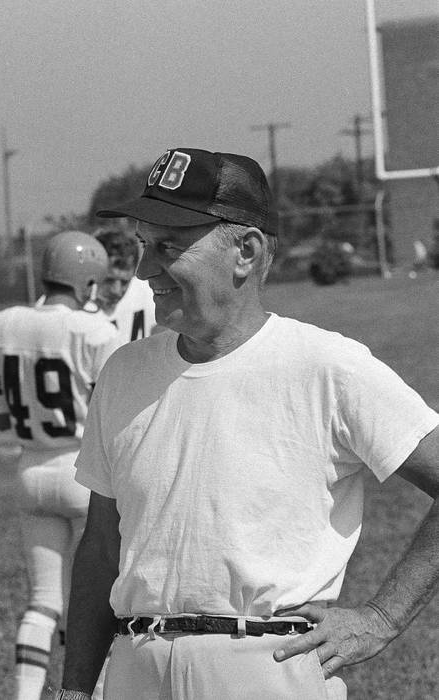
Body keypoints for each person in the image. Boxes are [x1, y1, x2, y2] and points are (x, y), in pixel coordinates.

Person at [58, 147, 439, 700]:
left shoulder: (327, 366)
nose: (144, 271)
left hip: (268, 666)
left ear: (246, 250)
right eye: (143, 246)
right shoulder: (124, 372)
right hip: (134, 669)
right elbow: (99, 548)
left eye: (168, 246)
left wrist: (382, 617)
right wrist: (73, 690)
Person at [0, 231, 122, 700]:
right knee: (95, 607)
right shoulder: (96, 331)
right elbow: (117, 414)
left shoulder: (5, 324)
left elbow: (1, 415)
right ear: (87, 283)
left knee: (43, 602)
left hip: (30, 471)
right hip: (85, 474)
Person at [90, 227, 158, 341]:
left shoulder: (151, 294)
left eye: (125, 282)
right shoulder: (72, 305)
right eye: (109, 280)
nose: (116, 291)